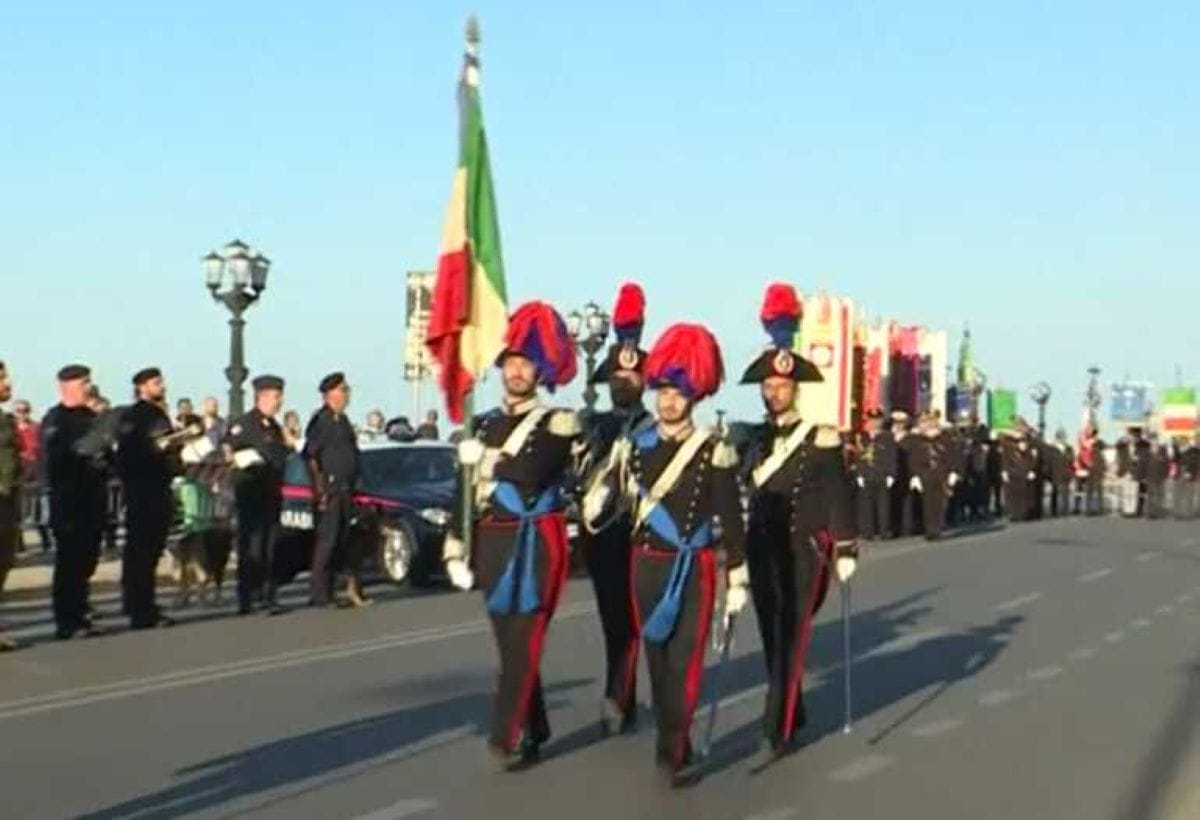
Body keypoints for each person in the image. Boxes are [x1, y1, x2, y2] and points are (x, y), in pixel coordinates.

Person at [584, 320, 746, 786]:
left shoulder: (710, 451)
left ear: (693, 396)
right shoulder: (635, 447)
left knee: (685, 660)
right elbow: (612, 490)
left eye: (677, 394)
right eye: (663, 393)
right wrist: (596, 498)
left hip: (693, 566)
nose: (668, 402)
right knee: (656, 658)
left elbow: (730, 517)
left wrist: (736, 572)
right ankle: (672, 737)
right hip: (646, 564)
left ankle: (674, 747)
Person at [445, 301, 580, 771]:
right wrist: (455, 543)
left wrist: (485, 461)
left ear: (539, 371)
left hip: (535, 541)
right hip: (493, 541)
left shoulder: (556, 422)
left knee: (525, 640)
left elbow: (533, 471)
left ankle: (508, 733)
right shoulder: (479, 423)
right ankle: (537, 724)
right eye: (511, 364)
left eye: (525, 364)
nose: (517, 372)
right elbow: (461, 491)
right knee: (509, 643)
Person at [738, 284, 856, 759]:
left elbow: (837, 493)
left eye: (781, 387)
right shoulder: (752, 439)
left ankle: (777, 725)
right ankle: (793, 706)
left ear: (795, 389)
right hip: (762, 547)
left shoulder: (820, 438)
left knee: (793, 631)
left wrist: (845, 546)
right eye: (768, 387)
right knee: (772, 632)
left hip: (804, 549)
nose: (774, 393)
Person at [578, 283, 652, 734]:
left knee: (638, 617)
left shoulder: (654, 426)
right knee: (612, 616)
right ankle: (618, 688)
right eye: (617, 380)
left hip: (644, 534)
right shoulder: (593, 425)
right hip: (602, 534)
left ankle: (621, 693)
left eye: (632, 378)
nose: (624, 384)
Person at [116, 367, 192, 629]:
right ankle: (140, 608)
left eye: (161, 381)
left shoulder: (158, 414)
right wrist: (159, 448)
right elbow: (129, 454)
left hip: (159, 486)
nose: (162, 386)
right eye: (156, 383)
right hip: (143, 490)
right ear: (142, 387)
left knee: (151, 551)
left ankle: (143, 604)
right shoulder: (136, 416)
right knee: (141, 552)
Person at [42, 365, 107, 639]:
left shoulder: (91, 417)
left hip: (93, 497)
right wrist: (82, 452)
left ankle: (82, 611)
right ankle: (67, 621)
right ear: (66, 386)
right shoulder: (55, 419)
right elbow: (56, 459)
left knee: (87, 558)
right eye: (84, 383)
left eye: (89, 382)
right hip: (69, 499)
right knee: (69, 561)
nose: (89, 388)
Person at [227, 376, 291, 615]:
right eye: (276, 396)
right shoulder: (245, 424)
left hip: (271, 492)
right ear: (262, 396)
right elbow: (231, 452)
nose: (279, 401)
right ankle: (249, 596)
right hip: (251, 493)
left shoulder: (273, 426)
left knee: (269, 545)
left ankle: (266, 594)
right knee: (252, 546)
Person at [304, 372, 364, 607]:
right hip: (330, 490)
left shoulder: (344, 420)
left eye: (347, 390)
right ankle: (319, 593)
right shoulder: (322, 420)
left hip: (347, 488)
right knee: (327, 541)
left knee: (341, 540)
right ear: (329, 394)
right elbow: (311, 456)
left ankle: (334, 589)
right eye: (342, 390)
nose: (347, 394)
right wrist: (320, 489)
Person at [0, 362, 21, 650]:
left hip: (8, 498)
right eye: (2, 378)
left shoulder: (5, 418)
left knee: (3, 561)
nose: (8, 382)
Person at [13, 399, 52, 552]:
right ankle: (19, 544)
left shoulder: (37, 428)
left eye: (25, 410)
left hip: (37, 471)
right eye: (19, 411)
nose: (22, 414)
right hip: (18, 472)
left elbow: (44, 447)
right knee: (18, 511)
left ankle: (46, 540)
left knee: (41, 511)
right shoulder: (10, 429)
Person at [854, 408, 897, 540]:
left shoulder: (887, 436)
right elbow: (859, 456)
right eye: (871, 420)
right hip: (866, 474)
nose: (874, 423)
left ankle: (883, 530)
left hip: (882, 473)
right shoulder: (862, 436)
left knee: (883, 505)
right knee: (866, 505)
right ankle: (868, 531)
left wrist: (891, 474)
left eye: (877, 420)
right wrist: (859, 474)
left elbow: (892, 455)